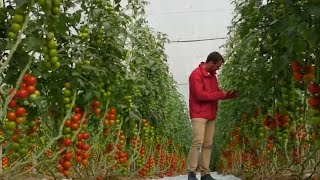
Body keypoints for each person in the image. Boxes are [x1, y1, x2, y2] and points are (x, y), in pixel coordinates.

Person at [187, 51, 239, 180]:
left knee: (208, 144)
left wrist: (231, 94)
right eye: (217, 66)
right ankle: (191, 172)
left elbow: (216, 92)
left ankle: (205, 173)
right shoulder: (196, 75)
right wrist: (221, 94)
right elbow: (200, 95)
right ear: (211, 63)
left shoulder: (212, 76)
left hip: (210, 114)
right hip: (198, 113)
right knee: (198, 141)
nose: (218, 69)